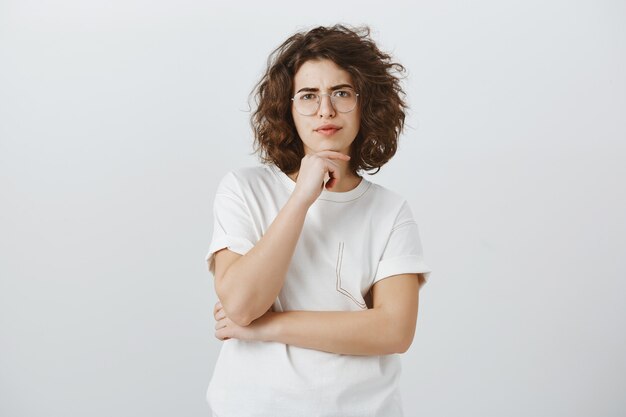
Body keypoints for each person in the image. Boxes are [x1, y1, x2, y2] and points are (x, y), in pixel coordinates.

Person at [205, 24, 432, 417]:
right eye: (308, 96)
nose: (325, 110)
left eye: (341, 93)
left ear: (367, 104)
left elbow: (395, 331)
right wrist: (302, 197)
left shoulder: (390, 211)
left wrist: (265, 327)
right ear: (288, 109)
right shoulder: (244, 189)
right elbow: (240, 305)